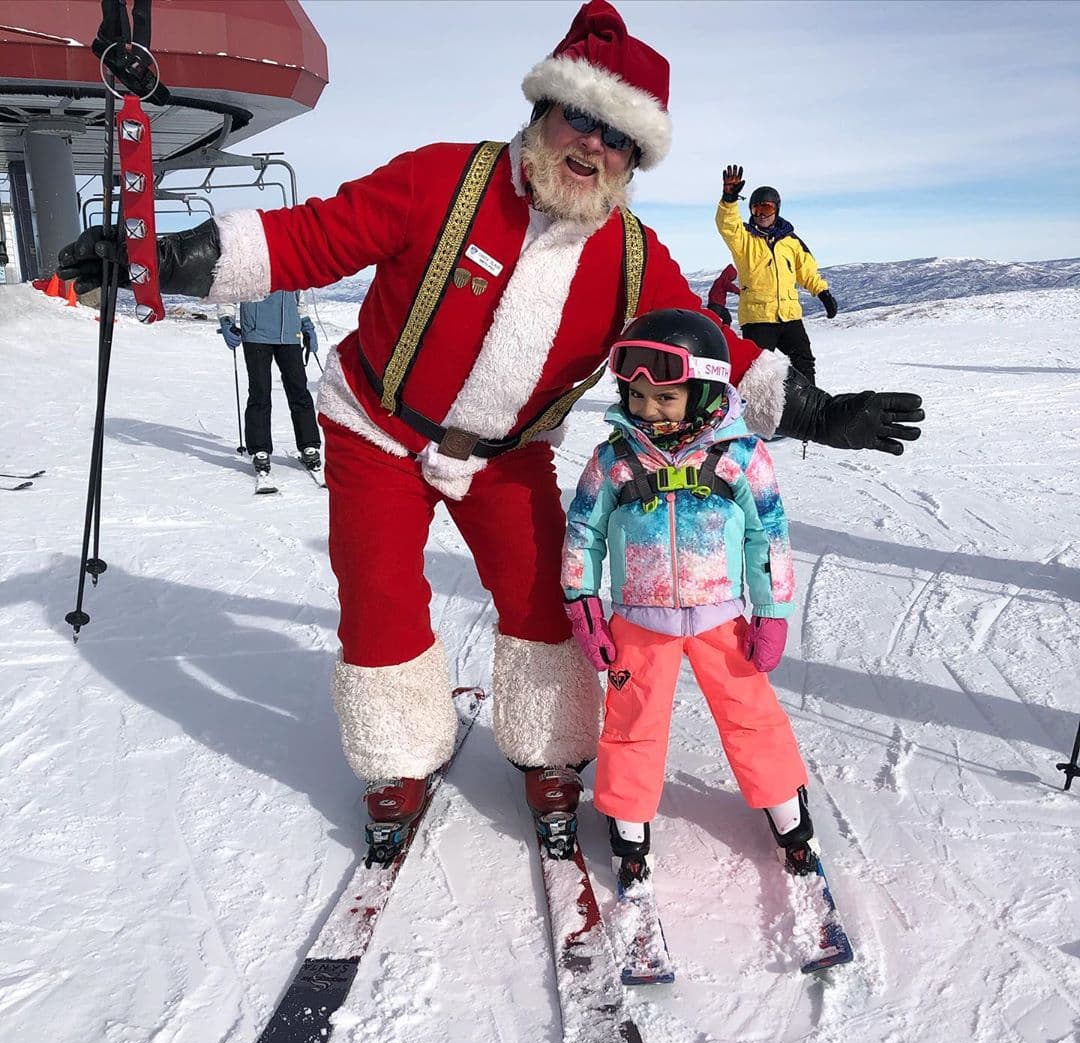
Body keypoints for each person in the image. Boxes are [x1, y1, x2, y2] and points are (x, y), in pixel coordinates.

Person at [57, 0, 922, 866]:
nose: (592, 147)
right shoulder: (443, 181)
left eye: (618, 139)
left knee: (544, 593)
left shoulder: (630, 255)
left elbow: (708, 343)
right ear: (543, 112)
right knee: (379, 591)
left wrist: (817, 412)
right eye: (579, 118)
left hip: (508, 457)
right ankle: (398, 758)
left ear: (634, 159)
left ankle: (549, 750)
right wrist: (156, 260)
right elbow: (308, 238)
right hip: (377, 428)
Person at [561, 308, 818, 885]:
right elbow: (583, 533)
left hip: (721, 619)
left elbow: (768, 538)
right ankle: (628, 820)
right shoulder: (613, 461)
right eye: (636, 397)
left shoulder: (741, 458)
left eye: (666, 399)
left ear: (703, 392)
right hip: (638, 621)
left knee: (749, 714)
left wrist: (771, 612)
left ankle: (785, 807)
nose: (648, 412)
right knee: (632, 721)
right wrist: (584, 604)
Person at [716, 165, 837, 384]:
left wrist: (823, 292)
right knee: (756, 371)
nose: (761, 215)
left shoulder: (791, 241)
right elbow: (727, 225)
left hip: (789, 315)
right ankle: (754, 413)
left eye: (767, 209)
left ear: (777, 209)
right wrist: (729, 200)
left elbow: (806, 271)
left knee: (804, 361)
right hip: (758, 318)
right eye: (756, 210)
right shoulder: (744, 239)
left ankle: (811, 406)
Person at [217, 290, 323, 478]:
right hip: (256, 334)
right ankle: (260, 450)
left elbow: (300, 297)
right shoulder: (245, 260)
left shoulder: (294, 261)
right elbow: (229, 290)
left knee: (299, 390)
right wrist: (227, 320)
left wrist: (306, 323)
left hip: (290, 333)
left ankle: (309, 445)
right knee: (260, 392)